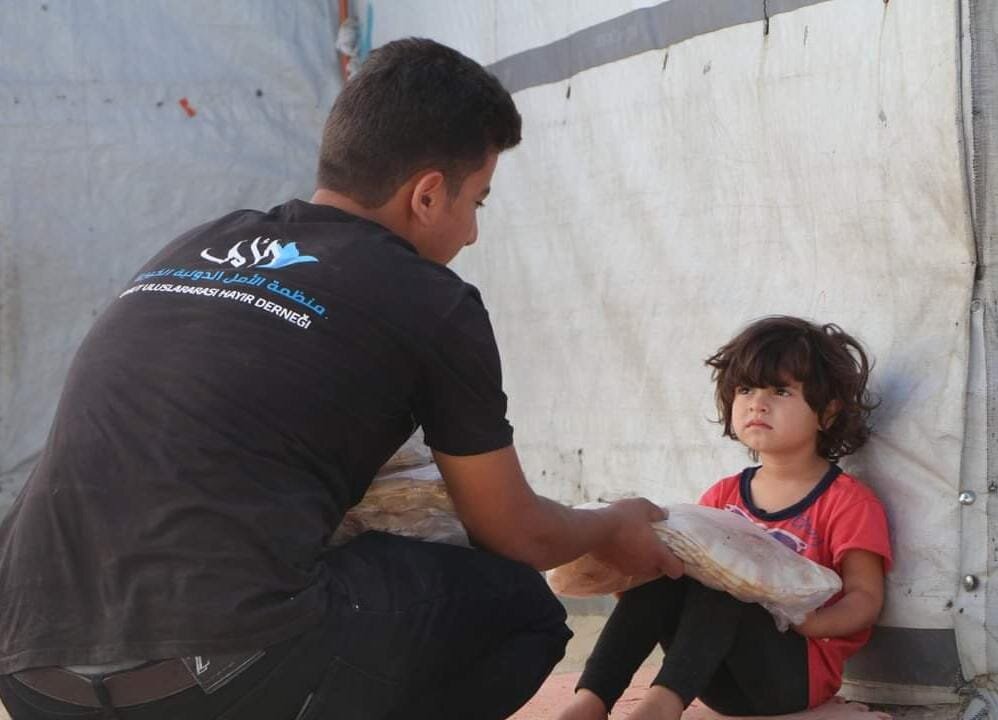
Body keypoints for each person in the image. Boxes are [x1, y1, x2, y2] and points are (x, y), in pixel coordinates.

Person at [0, 38, 681, 720]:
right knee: (519, 609)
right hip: (215, 684)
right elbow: (519, 536)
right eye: (479, 201)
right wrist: (608, 525)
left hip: (28, 678)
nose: (473, 233)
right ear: (428, 194)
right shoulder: (429, 298)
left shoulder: (197, 244)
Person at [556, 316, 893, 720]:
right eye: (746, 389)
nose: (757, 403)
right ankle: (590, 699)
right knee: (676, 571)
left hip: (791, 678)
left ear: (828, 412)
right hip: (714, 677)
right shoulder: (724, 494)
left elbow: (865, 598)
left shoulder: (849, 502)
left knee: (727, 583)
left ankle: (661, 705)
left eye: (781, 390)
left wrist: (814, 622)